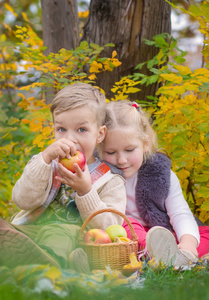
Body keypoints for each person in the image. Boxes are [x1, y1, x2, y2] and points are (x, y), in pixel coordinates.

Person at [0, 83, 126, 271]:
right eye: (61, 129)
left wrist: (85, 191)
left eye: (81, 130)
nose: (71, 139)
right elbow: (21, 201)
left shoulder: (111, 179)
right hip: (33, 230)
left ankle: (47, 265)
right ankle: (24, 259)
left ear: (100, 134)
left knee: (57, 231)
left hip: (71, 237)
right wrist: (43, 160)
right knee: (5, 227)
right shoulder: (45, 163)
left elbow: (110, 226)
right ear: (54, 129)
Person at [98, 100, 209, 268]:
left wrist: (188, 242)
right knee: (125, 221)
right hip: (129, 239)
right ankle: (162, 258)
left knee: (201, 234)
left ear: (145, 145)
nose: (121, 160)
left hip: (165, 234)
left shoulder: (160, 174)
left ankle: (179, 255)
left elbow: (180, 214)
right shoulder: (101, 174)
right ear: (99, 149)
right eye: (111, 152)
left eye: (129, 150)